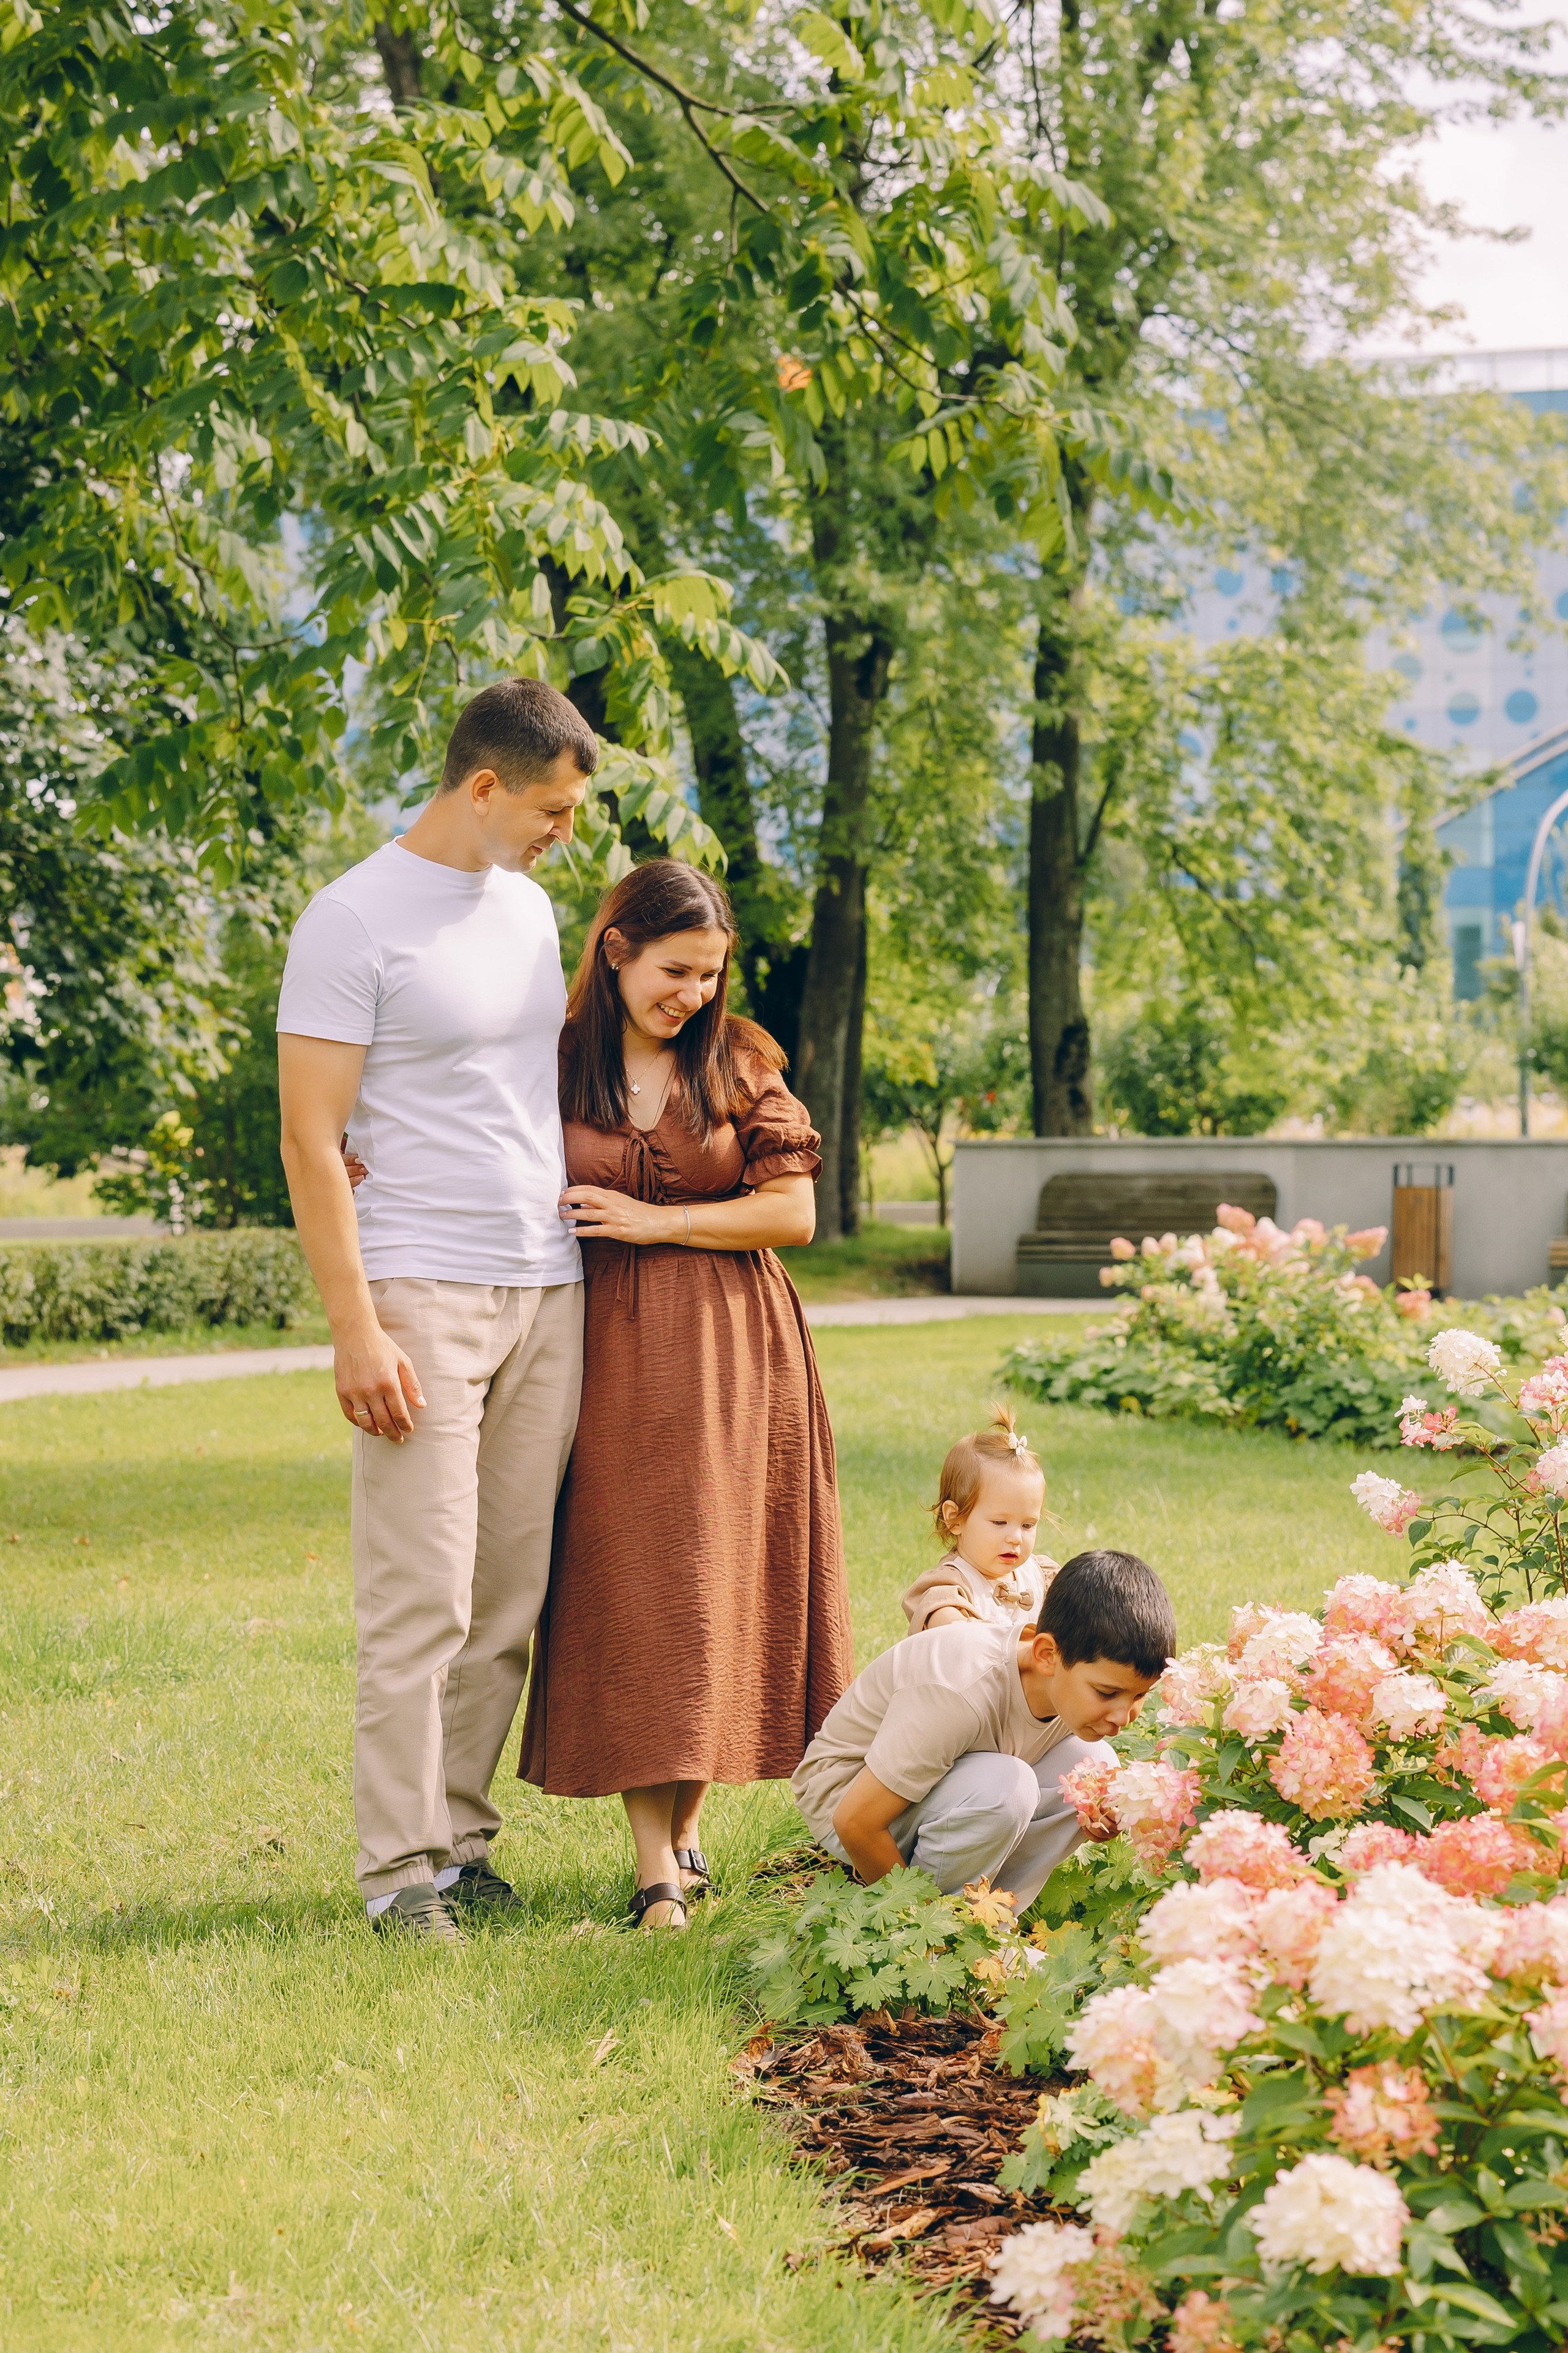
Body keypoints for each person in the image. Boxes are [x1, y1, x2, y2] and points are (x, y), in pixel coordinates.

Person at [276, 677, 597, 1943]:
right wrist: (356, 1325)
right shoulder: (351, 921)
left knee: (507, 1597)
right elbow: (310, 1135)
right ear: (483, 787)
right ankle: (398, 1875)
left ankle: (459, 1848)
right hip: (419, 1290)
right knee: (422, 1601)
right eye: (552, 809)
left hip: (544, 1287)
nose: (563, 832)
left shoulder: (524, 911)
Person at [516, 859, 853, 1930]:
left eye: (710, 973)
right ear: (615, 949)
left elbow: (792, 1211)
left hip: (739, 1350)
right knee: (636, 1581)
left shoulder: (740, 1055)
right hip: (606, 1350)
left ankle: (680, 1843)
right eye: (675, 971)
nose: (694, 995)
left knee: (720, 1576)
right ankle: (652, 1854)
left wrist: (660, 1222)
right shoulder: (555, 1058)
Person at [793, 1549, 1174, 1915]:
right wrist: (920, 1925)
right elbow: (855, 1822)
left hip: (940, 1786)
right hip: (849, 1801)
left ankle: (988, 1915)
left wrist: (1092, 1813)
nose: (1125, 1716)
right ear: (1046, 1655)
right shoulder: (959, 1690)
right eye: (1107, 1693)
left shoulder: (1065, 1686)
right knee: (1009, 1788)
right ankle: (951, 1933)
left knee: (1094, 1767)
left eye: (1140, 1695)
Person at [902, 1405, 1060, 1635]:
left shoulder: (1040, 1576)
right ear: (955, 1519)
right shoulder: (953, 1585)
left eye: (1028, 1525)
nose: (1016, 1537)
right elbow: (948, 1628)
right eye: (999, 1522)